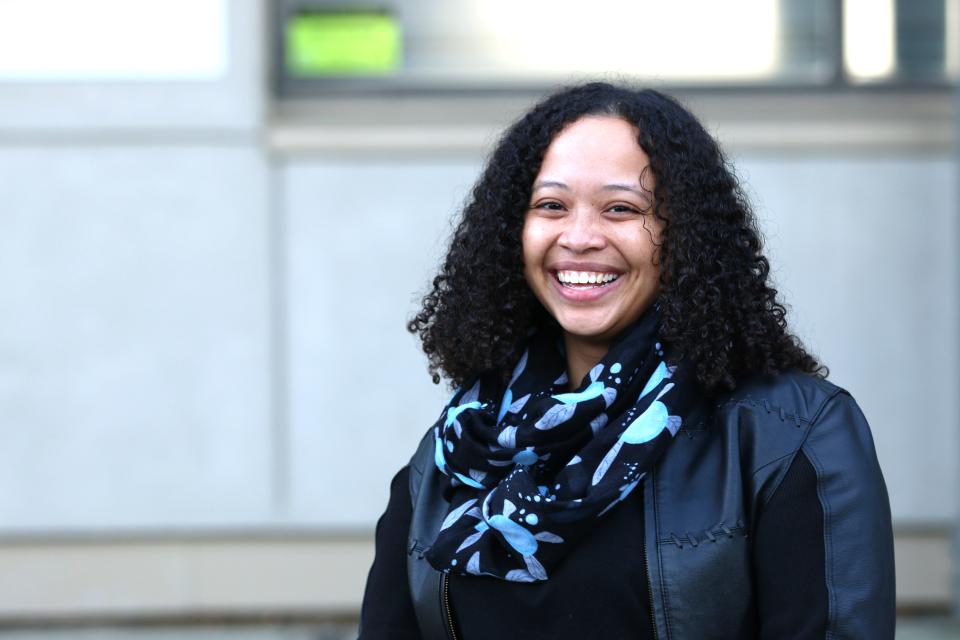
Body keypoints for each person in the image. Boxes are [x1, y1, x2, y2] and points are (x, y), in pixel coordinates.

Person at [358, 83, 895, 639]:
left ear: (682, 233)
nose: (581, 237)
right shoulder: (454, 449)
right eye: (551, 206)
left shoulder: (793, 438)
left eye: (621, 208)